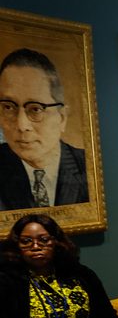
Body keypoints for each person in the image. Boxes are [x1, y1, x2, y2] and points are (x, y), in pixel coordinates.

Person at [0, 48, 88, 209]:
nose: (21, 125)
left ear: (61, 118)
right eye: (9, 107)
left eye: (35, 109)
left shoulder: (88, 168)